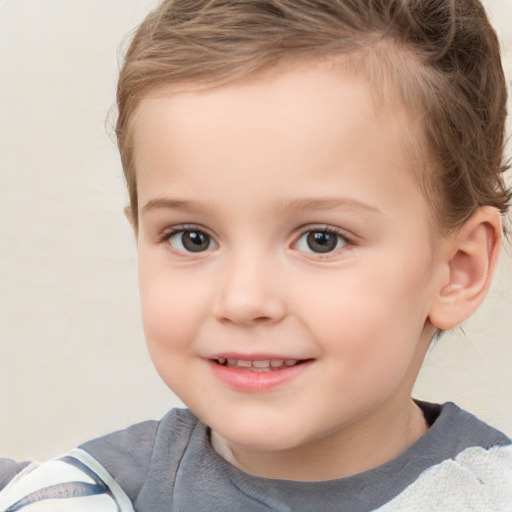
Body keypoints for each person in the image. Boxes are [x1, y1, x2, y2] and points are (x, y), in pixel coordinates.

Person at [0, 0, 510, 510]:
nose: (243, 300)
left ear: (458, 270)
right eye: (192, 238)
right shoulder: (80, 497)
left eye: (321, 240)